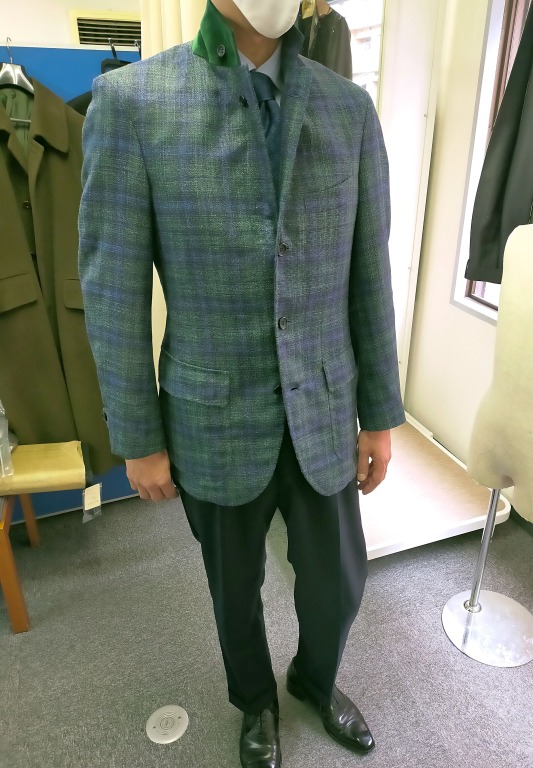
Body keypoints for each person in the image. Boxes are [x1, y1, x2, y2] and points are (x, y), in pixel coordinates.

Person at [78, 1, 405, 766]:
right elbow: (113, 289)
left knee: (338, 583)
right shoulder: (132, 103)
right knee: (233, 590)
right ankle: (254, 700)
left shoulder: (348, 109)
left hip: (323, 405)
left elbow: (369, 273)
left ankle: (314, 680)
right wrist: (138, 438)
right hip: (210, 414)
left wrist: (380, 414)